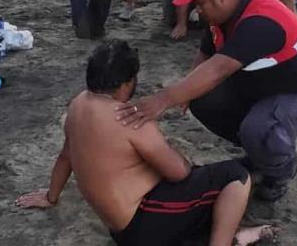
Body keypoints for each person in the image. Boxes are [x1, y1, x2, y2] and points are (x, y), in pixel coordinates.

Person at [16, 40, 275, 246]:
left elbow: (66, 156)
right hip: (144, 223)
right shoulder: (128, 116)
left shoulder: (77, 106)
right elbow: (179, 173)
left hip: (122, 230)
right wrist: (172, 150)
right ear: (128, 82)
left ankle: (235, 236)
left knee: (207, 196)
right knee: (236, 175)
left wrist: (51, 197)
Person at [114, 0, 297, 201]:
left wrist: (164, 99)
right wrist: (186, 93)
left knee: (260, 128)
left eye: (200, 3)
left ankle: (280, 170)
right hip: (260, 89)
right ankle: (261, 152)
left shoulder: (262, 20)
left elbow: (218, 69)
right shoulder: (222, 15)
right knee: (201, 99)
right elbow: (205, 55)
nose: (199, 12)